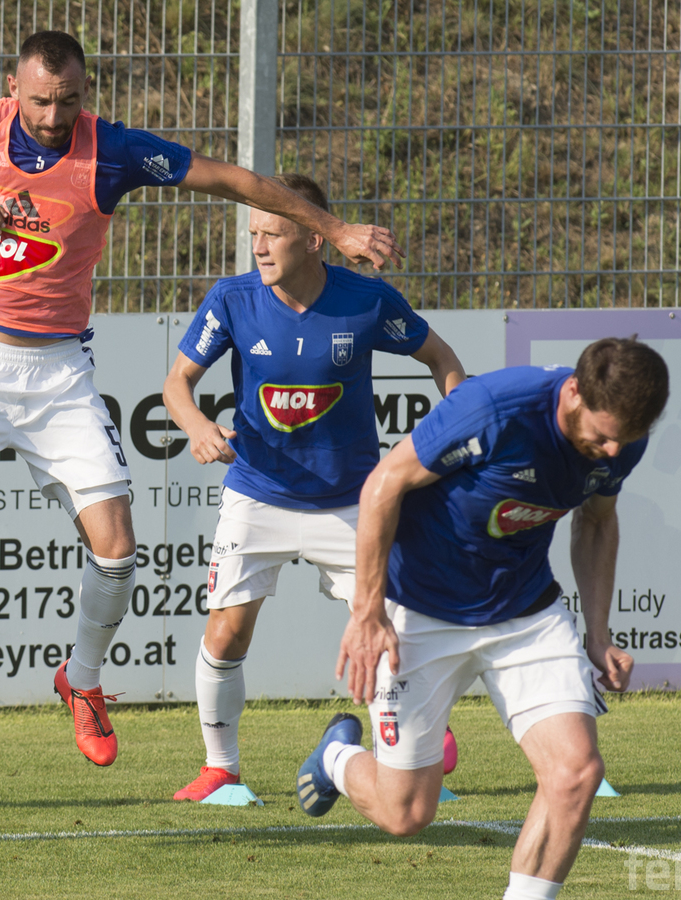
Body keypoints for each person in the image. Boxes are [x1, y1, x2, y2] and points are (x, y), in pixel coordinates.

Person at [0, 31, 402, 766]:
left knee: (118, 551)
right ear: (13, 89)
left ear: (85, 93)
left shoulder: (112, 152)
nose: (53, 116)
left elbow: (230, 180)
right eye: (39, 101)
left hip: (59, 375)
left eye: (68, 101)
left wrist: (334, 228)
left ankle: (82, 680)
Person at [296, 337, 668, 900]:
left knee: (576, 773)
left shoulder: (621, 443)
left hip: (525, 612)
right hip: (420, 607)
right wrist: (368, 611)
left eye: (627, 438)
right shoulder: (495, 410)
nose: (614, 451)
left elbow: (596, 521)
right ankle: (336, 757)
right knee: (406, 813)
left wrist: (599, 634)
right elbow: (383, 485)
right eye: (603, 435)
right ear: (574, 392)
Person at [160, 174, 465, 801]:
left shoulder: (367, 301)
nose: (259, 247)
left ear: (314, 239)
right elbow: (176, 384)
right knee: (225, 633)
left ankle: (411, 756)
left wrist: (452, 436)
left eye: (273, 233)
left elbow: (443, 361)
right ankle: (221, 771)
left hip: (351, 503)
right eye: (254, 233)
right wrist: (196, 426)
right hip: (257, 493)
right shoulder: (232, 300)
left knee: (389, 632)